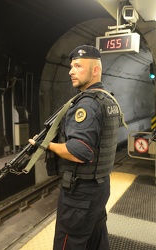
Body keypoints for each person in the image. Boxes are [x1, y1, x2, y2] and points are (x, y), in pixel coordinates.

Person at [28, 45, 126, 249]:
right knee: (96, 239)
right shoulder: (108, 99)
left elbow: (79, 151)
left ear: (95, 70)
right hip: (99, 185)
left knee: (68, 242)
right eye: (71, 66)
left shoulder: (87, 105)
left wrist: (47, 145)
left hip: (80, 191)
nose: (71, 71)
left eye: (78, 66)